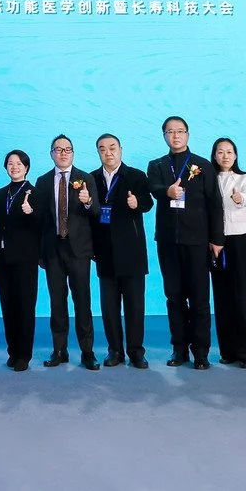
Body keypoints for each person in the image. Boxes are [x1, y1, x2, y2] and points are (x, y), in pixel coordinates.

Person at [146, 117, 221, 369]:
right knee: (174, 297)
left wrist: (216, 239)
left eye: (180, 131)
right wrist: (166, 192)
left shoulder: (203, 165)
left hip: (198, 241)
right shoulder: (157, 165)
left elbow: (214, 203)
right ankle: (179, 349)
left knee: (200, 298)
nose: (175, 136)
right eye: (170, 132)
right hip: (168, 241)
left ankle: (201, 352)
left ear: (187, 134)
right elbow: (153, 187)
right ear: (164, 136)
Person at [33, 134, 99, 370]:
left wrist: (88, 201)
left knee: (83, 301)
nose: (63, 153)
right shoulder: (42, 181)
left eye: (67, 149)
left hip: (78, 250)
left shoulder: (86, 178)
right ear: (51, 153)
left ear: (73, 153)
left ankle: (87, 351)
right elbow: (40, 220)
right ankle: (59, 350)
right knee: (57, 302)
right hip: (53, 250)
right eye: (58, 149)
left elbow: (96, 212)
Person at [90, 133, 153, 369]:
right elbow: (89, 214)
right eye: (102, 149)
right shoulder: (91, 179)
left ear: (121, 150)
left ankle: (136, 351)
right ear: (98, 152)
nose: (108, 152)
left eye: (112, 147)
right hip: (104, 251)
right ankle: (114, 350)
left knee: (135, 306)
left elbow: (148, 203)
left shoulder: (135, 175)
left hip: (132, 250)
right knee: (109, 307)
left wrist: (138, 203)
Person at [0, 150, 41, 371]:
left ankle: (24, 355)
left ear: (26, 167)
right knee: (7, 305)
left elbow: (43, 225)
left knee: (25, 306)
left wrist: (31, 212)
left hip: (26, 258)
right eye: (10, 163)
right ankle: (13, 350)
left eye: (19, 163)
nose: (14, 167)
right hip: (2, 257)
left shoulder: (35, 193)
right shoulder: (1, 193)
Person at [210, 138, 246, 368]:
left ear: (236, 155)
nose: (225, 156)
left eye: (229, 152)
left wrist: (240, 199)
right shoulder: (208, 179)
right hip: (216, 242)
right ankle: (227, 351)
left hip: (241, 239)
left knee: (244, 297)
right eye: (220, 152)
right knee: (222, 297)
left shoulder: (245, 178)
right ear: (214, 155)